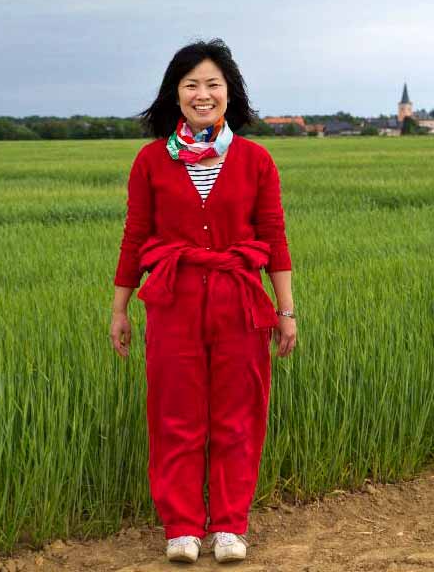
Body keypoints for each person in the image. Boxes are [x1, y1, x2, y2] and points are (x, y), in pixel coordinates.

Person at [109, 38, 297, 564]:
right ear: (175, 94)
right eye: (191, 84)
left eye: (213, 83)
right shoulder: (150, 162)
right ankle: (184, 527)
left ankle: (230, 526)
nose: (202, 93)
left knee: (239, 415)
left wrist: (285, 311)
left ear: (229, 92)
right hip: (172, 301)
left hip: (240, 301)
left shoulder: (256, 160)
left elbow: (275, 238)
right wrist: (120, 308)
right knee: (175, 414)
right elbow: (135, 236)